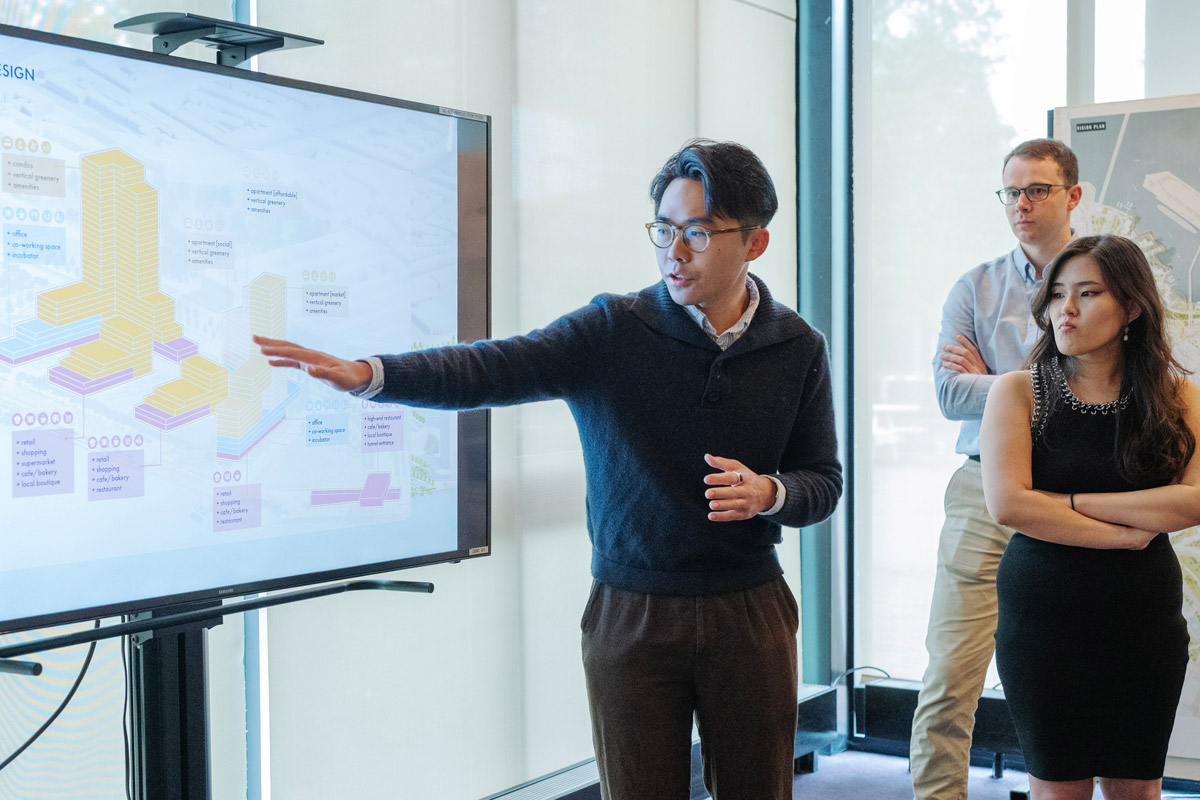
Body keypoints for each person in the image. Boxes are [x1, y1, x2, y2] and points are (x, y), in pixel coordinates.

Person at [256, 139, 842, 800]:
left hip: (749, 608)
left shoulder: (797, 347)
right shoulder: (612, 330)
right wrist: (373, 376)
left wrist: (770, 492)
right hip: (632, 613)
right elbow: (493, 365)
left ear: (755, 243)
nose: (674, 252)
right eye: (665, 230)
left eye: (698, 234)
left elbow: (822, 481)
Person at [980, 234, 1200, 800]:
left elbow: (1193, 501)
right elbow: (1008, 504)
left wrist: (1071, 503)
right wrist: (1130, 533)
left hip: (1142, 618)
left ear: (1130, 307)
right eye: (1056, 295)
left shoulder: (1180, 398)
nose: (1066, 310)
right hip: (1044, 617)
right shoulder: (1016, 392)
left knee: (1137, 789)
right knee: (1060, 791)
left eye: (1087, 293)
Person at [910, 138, 1082, 800]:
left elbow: (1107, 391)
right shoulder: (975, 287)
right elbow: (950, 394)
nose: (1021, 204)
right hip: (981, 487)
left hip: (1074, 493)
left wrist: (1002, 384)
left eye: (1037, 189)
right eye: (1011, 191)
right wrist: (1040, 384)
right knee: (950, 674)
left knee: (1067, 676)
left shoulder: (1107, 283)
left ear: (1071, 195)